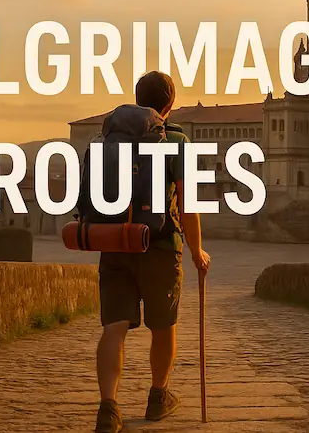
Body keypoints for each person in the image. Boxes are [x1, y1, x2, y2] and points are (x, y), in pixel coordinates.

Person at [93, 71, 211, 433]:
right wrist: (197, 252)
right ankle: (158, 397)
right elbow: (187, 205)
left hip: (114, 243)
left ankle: (109, 408)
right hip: (160, 245)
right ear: (169, 104)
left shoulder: (106, 139)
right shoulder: (176, 141)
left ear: (136, 99)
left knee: (114, 328)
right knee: (163, 327)